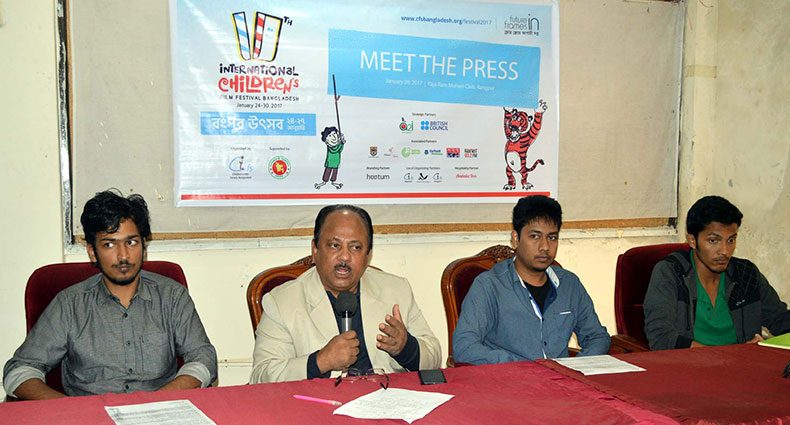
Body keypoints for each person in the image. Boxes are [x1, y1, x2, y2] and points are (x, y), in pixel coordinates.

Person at [3, 190, 217, 399]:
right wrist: (69, 410)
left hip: (160, 409)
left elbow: (203, 358)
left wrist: (155, 401)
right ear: (92, 252)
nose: (123, 255)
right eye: (109, 244)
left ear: (144, 247)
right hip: (88, 414)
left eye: (131, 242)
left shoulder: (171, 296)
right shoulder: (69, 305)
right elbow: (19, 371)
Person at [250, 204, 441, 383]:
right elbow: (261, 376)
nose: (344, 256)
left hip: (387, 399)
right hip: (320, 403)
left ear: (368, 255)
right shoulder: (281, 301)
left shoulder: (397, 289)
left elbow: (434, 358)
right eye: (335, 245)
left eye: (355, 247)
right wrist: (320, 362)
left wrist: (406, 348)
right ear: (315, 249)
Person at [453, 195, 610, 364]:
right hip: (511, 377)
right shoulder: (489, 286)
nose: (545, 247)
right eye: (535, 236)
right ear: (515, 239)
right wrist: (515, 365)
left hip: (563, 378)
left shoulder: (569, 284)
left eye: (552, 237)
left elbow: (597, 337)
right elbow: (464, 347)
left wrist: (578, 367)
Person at [644, 195, 790, 350]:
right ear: (692, 240)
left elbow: (780, 319)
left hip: (741, 363)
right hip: (690, 363)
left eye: (731, 240)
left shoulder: (746, 274)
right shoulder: (671, 273)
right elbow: (660, 337)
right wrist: (726, 355)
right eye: (713, 241)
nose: (724, 251)